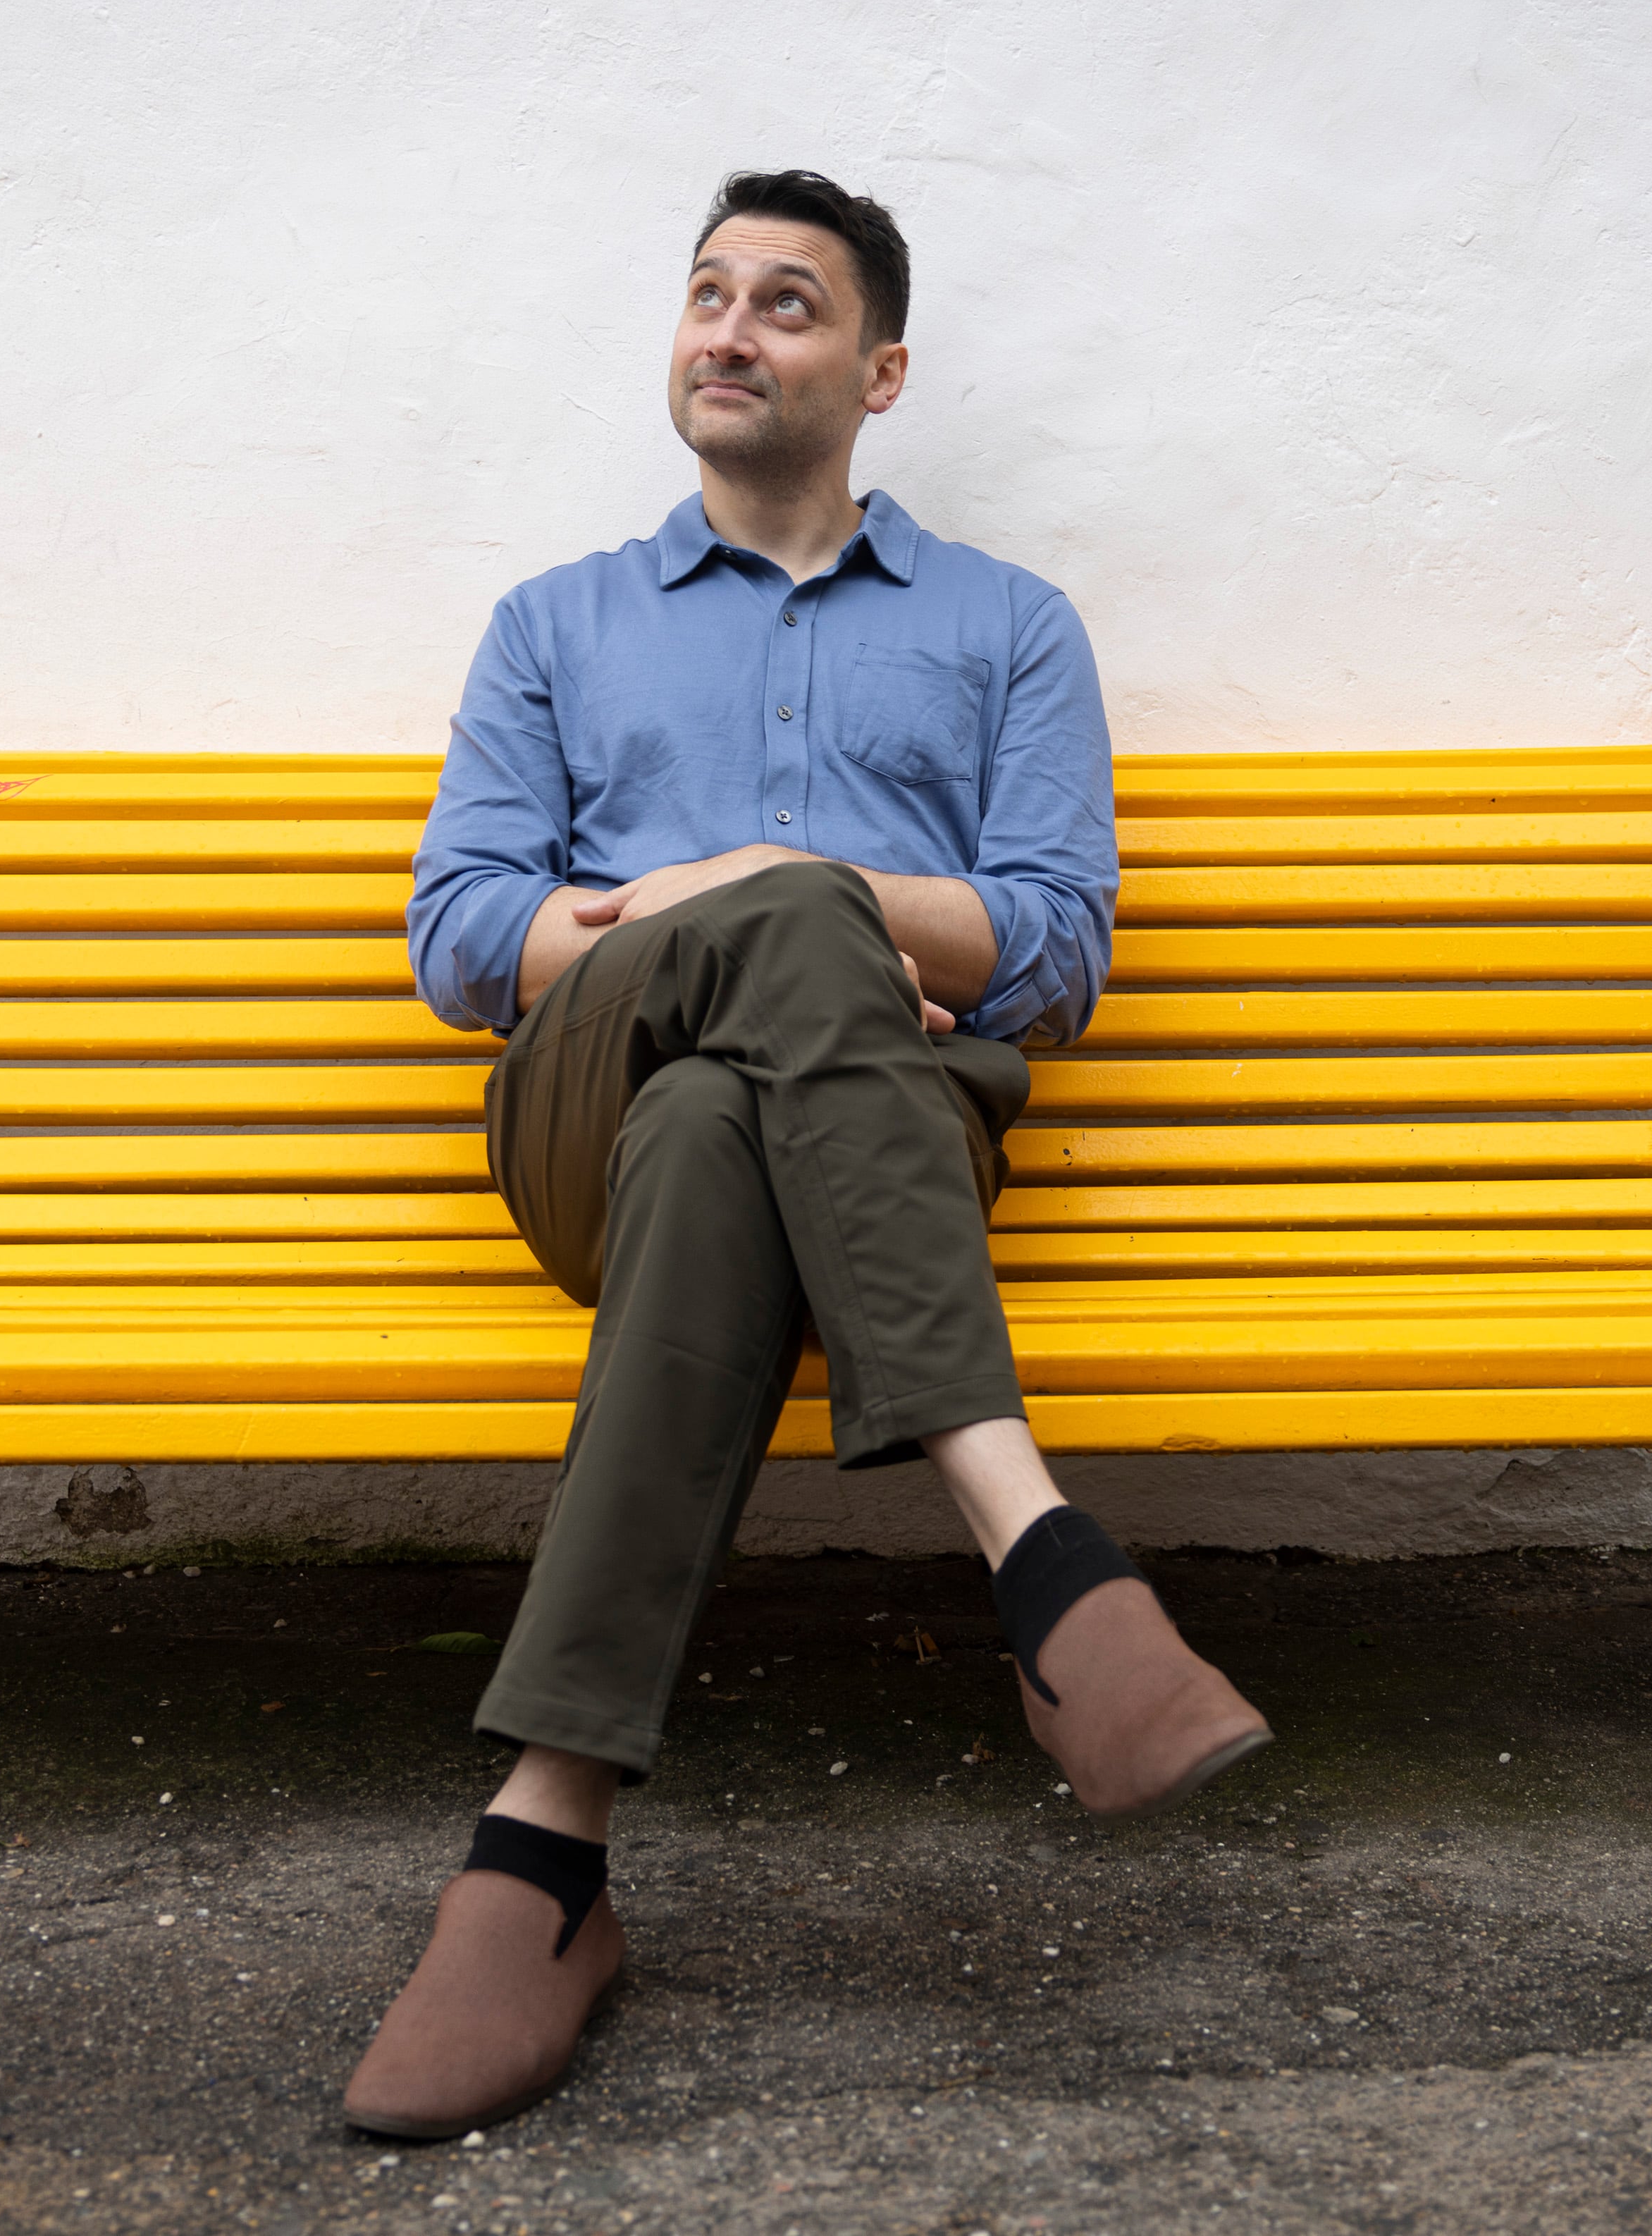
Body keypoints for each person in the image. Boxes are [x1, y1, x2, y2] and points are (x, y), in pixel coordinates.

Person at [347, 169, 1270, 2142]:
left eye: (787, 303)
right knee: (753, 957)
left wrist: (799, 905)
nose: (732, 330)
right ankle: (1040, 1555)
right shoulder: (555, 623)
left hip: (864, 1145)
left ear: (882, 369)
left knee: (725, 1107)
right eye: (708, 295)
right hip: (578, 1115)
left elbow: (1061, 945)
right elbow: (457, 935)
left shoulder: (1012, 630)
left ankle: (545, 1856)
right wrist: (732, 901)